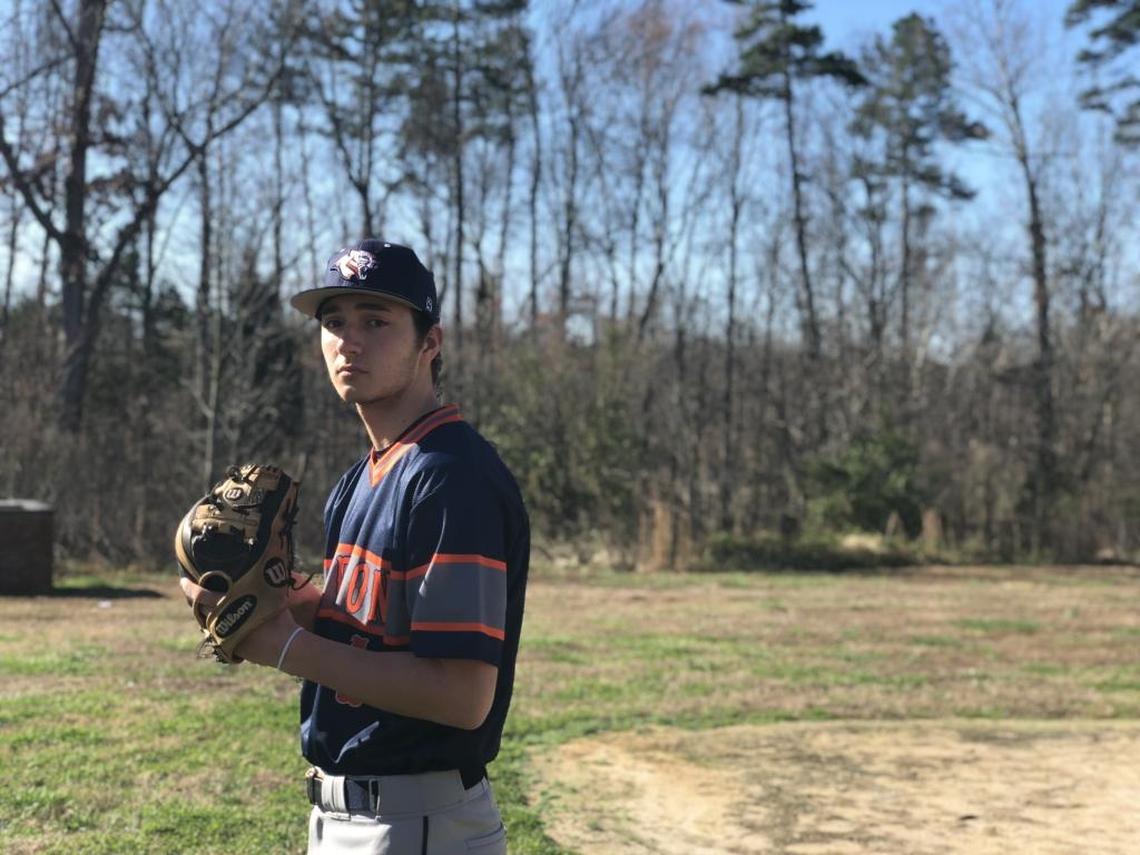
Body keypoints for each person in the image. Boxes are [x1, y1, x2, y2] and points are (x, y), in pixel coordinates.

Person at [180, 238, 530, 854]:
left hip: (419, 823)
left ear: (431, 343)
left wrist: (281, 645)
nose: (350, 341)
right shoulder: (361, 477)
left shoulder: (451, 477)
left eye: (376, 320)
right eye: (334, 322)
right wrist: (274, 602)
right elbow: (361, 630)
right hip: (357, 818)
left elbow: (461, 694)